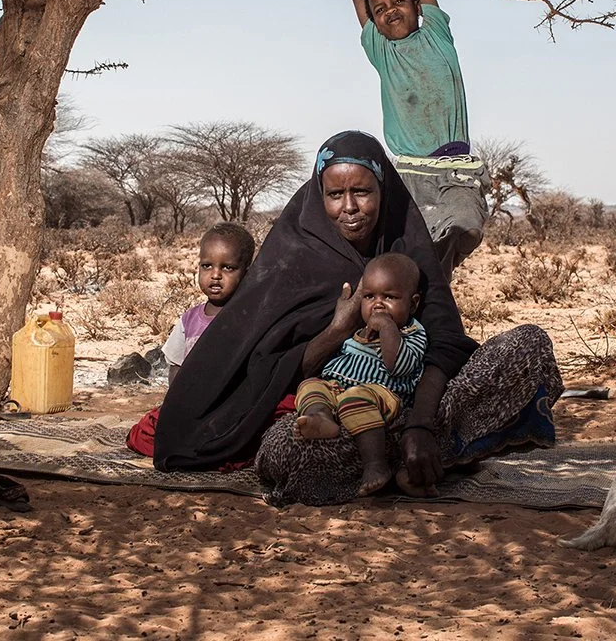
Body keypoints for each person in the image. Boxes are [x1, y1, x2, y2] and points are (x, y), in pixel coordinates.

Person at [150, 131, 563, 506]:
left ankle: (415, 449)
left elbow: (447, 342)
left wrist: (420, 424)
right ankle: (428, 454)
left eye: (362, 191)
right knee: (282, 452)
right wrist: (338, 329)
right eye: (335, 195)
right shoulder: (295, 253)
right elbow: (274, 368)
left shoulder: (406, 244)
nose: (349, 208)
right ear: (319, 194)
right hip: (341, 408)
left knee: (529, 346)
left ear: (382, 189)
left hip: (419, 403)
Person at [339, 0, 489, 276]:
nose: (390, 11)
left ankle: (431, 287)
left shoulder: (437, 34)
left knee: (465, 225)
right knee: (408, 262)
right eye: (380, 9)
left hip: (454, 169)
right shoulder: (382, 51)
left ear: (417, 6)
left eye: (399, 2)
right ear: (372, 19)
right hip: (408, 174)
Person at [294, 252, 428, 495]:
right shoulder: (357, 329)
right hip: (340, 388)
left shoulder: (412, 332)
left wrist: (387, 327)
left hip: (382, 395)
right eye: (369, 296)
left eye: (390, 297)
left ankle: (375, 464)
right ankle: (321, 417)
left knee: (356, 398)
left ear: (413, 303)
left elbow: (398, 366)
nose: (377, 304)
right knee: (310, 385)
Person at [161, 222, 256, 385]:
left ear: (246, 274)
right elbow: (176, 366)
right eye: (207, 266)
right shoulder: (188, 320)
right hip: (192, 403)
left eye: (227, 267)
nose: (215, 275)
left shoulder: (250, 319)